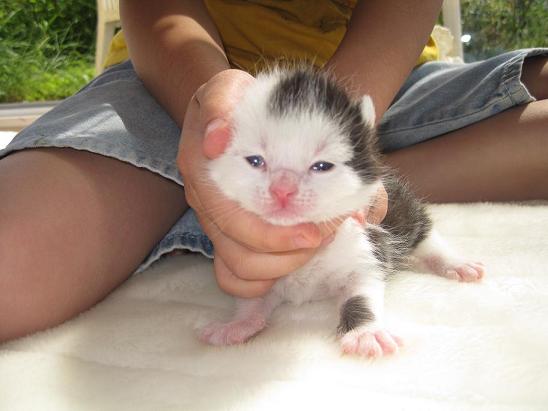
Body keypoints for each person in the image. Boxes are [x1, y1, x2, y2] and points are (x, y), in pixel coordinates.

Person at [0, 0, 546, 343]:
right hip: (176, 80)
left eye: (322, 168)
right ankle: (345, 178)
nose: (285, 191)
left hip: (387, 75)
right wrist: (204, 103)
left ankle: (365, 179)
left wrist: (347, 125)